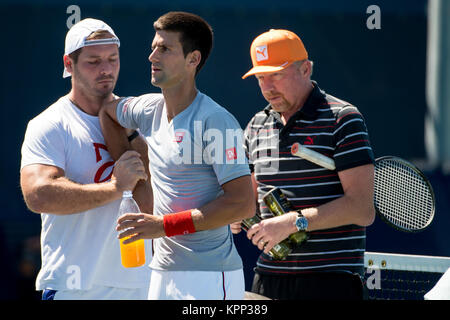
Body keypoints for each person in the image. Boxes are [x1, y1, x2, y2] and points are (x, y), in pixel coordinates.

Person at [99, 11, 255, 300]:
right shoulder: (147, 109)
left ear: (193, 59)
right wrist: (134, 172)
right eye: (153, 47)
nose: (152, 57)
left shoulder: (217, 121)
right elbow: (107, 112)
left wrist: (162, 226)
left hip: (209, 276)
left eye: (165, 49)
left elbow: (243, 204)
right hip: (160, 271)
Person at [20, 18, 153, 300]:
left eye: (112, 59)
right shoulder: (50, 123)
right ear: (69, 64)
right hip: (75, 288)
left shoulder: (140, 118)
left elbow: (157, 200)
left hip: (141, 284)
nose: (106, 69)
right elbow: (38, 195)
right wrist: (116, 188)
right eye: (93, 61)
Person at [239, 29, 375, 300]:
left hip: (330, 282)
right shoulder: (256, 125)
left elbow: (362, 209)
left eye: (276, 74)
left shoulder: (344, 118)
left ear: (306, 69)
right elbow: (248, 200)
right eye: (260, 78)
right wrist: (236, 215)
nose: (267, 86)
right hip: (267, 279)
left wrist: (293, 222)